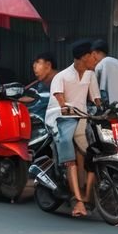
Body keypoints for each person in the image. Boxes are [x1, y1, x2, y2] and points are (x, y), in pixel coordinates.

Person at [46, 40, 102, 218]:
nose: (96, 58)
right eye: (93, 55)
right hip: (60, 118)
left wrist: (104, 108)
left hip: (81, 117)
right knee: (68, 148)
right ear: (84, 57)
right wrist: (64, 106)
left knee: (91, 152)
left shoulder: (90, 75)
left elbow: (96, 99)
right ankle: (77, 202)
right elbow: (59, 97)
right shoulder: (61, 76)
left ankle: (86, 195)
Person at [27, 52, 58, 119]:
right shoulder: (38, 86)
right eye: (34, 63)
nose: (34, 66)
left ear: (48, 65)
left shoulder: (63, 82)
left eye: (38, 62)